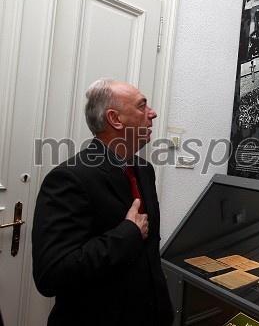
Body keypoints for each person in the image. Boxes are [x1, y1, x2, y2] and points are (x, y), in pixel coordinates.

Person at [32, 78, 174, 326]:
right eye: (142, 106)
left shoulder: (144, 169)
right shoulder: (70, 178)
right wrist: (128, 233)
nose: (152, 114)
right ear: (115, 119)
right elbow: (51, 275)